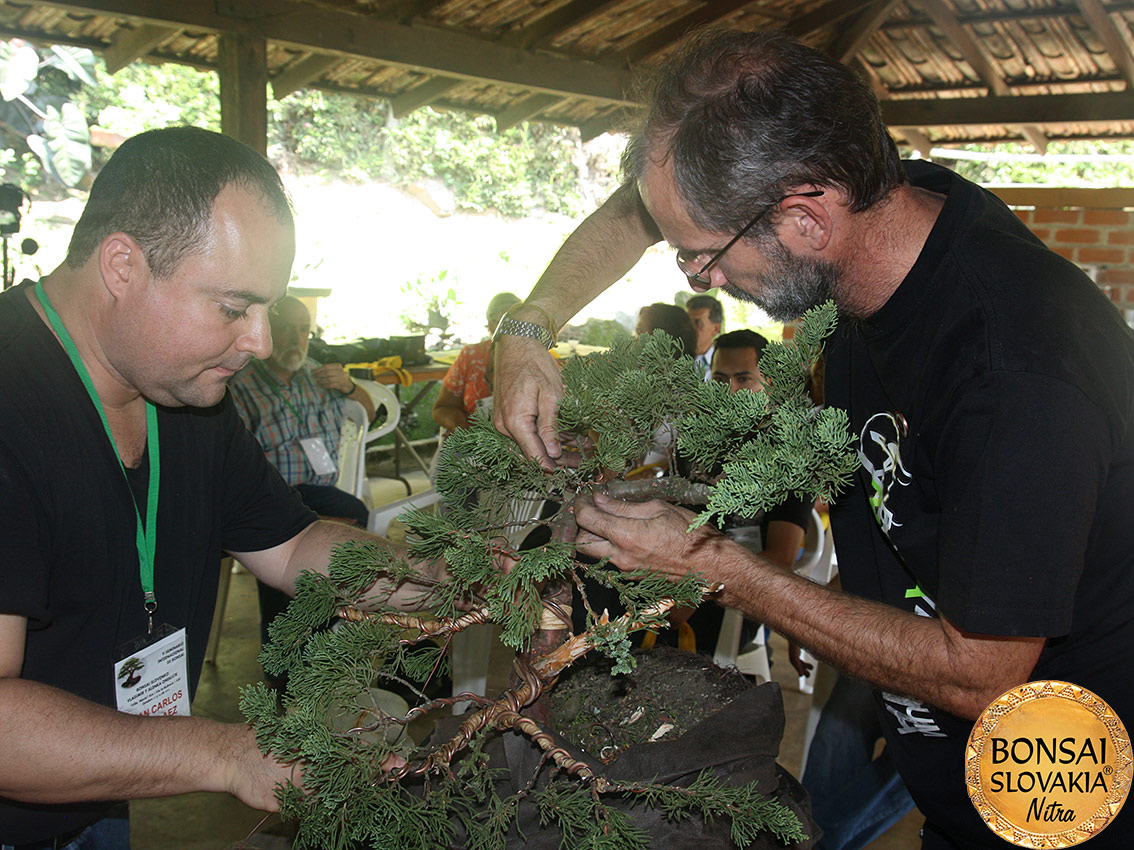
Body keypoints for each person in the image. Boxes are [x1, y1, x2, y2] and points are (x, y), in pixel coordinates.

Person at [490, 29, 1134, 850]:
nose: (699, 282)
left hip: (1066, 792)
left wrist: (716, 566)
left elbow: (983, 671)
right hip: (955, 782)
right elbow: (636, 215)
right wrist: (525, 328)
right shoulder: (895, 203)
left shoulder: (1014, 369)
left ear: (803, 216)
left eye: (704, 258)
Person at [0, 127, 443, 849]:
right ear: (122, 266)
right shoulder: (11, 398)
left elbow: (294, 544)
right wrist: (227, 753)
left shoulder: (184, 393)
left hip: (98, 795)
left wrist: (453, 583)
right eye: (234, 308)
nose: (261, 343)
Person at [229, 295, 378, 683]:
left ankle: (325, 638)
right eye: (286, 329)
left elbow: (370, 414)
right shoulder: (240, 382)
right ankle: (286, 665)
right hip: (267, 492)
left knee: (352, 513)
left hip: (316, 488)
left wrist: (348, 388)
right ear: (267, 329)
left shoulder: (320, 376)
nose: (296, 339)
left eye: (304, 330)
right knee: (280, 534)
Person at [431, 291, 521, 432]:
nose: (517, 331)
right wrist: (466, 432)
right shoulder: (471, 357)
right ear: (492, 326)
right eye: (510, 324)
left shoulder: (534, 360)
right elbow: (442, 408)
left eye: (522, 325)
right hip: (472, 443)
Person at [684, 293, 722, 380]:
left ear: (716, 328)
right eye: (688, 322)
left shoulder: (723, 364)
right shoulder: (673, 358)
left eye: (698, 323)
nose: (690, 328)